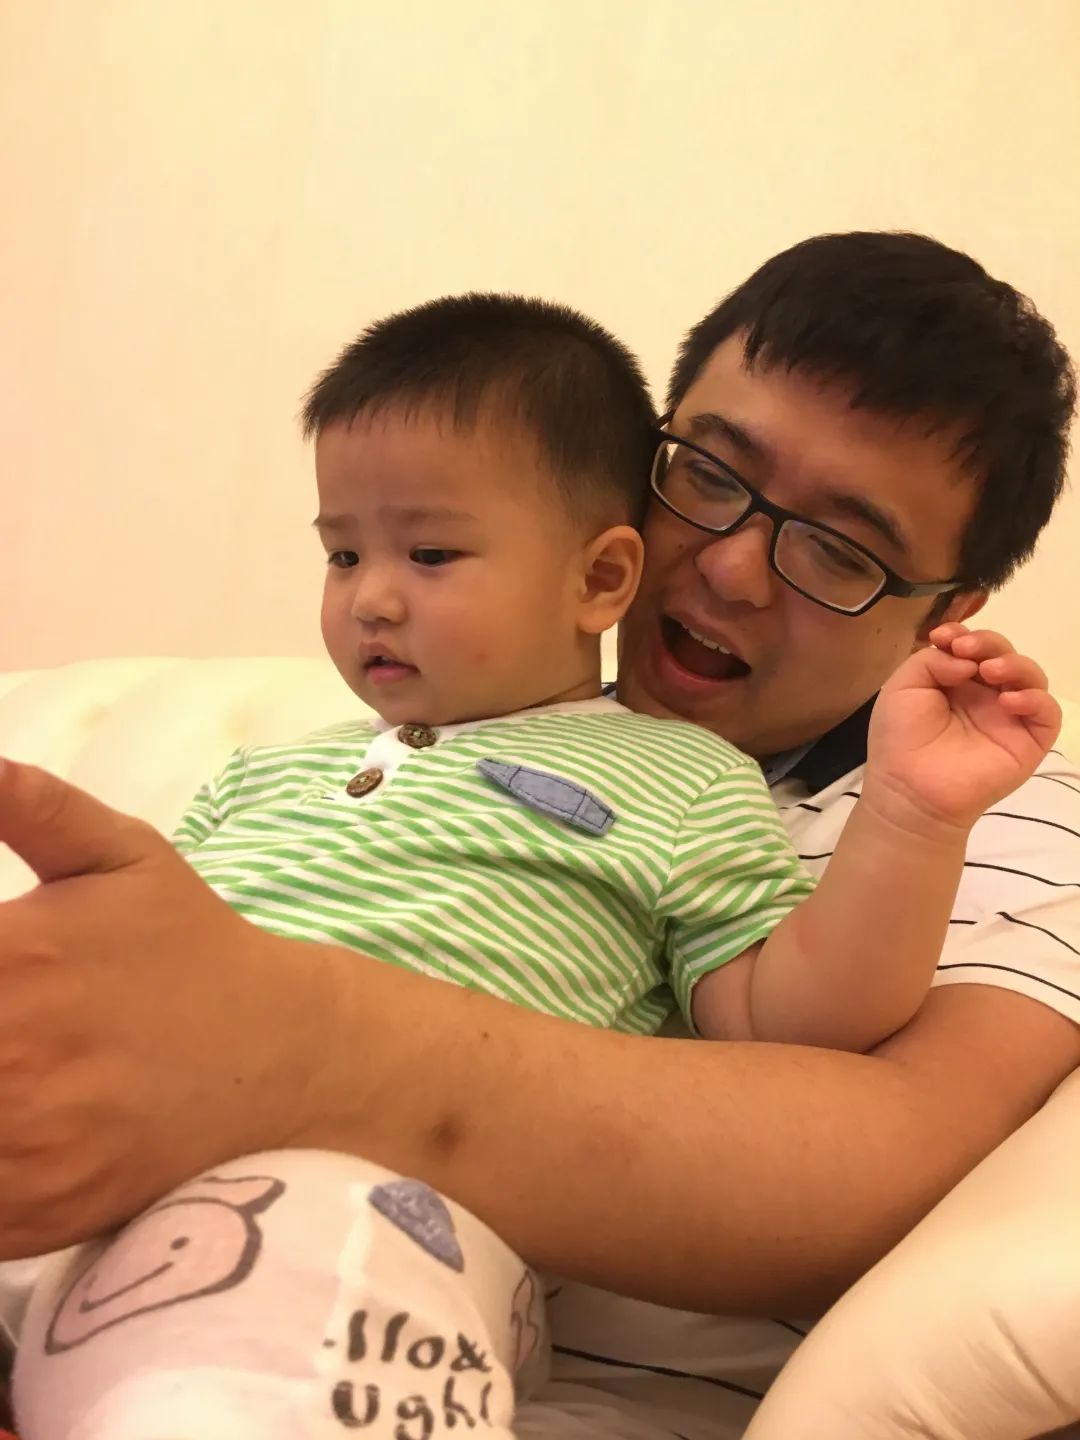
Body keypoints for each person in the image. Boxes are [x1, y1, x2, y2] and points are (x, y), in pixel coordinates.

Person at [0, 233, 1076, 1437]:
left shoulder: (998, 812)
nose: (731, 569)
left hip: (395, 1299)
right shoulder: (392, 744)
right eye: (707, 475)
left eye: (840, 548)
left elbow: (883, 1154)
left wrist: (294, 1044)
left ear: (948, 609)